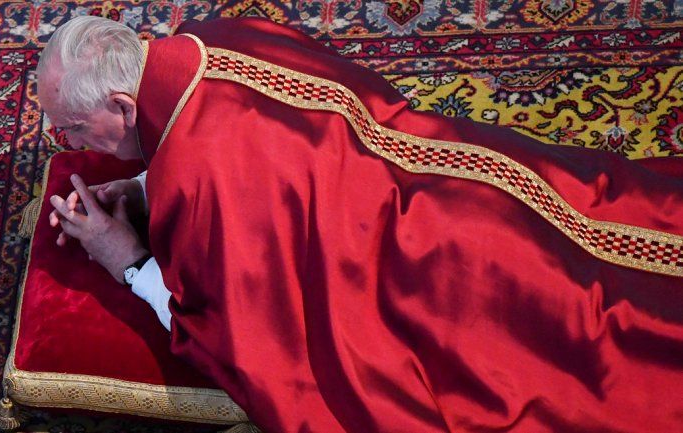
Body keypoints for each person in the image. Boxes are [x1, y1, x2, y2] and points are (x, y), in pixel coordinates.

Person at [36, 15, 683, 433]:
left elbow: (232, 338)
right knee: (595, 232)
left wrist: (126, 257)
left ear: (122, 105)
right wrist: (151, 179)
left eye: (68, 127)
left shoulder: (199, 182)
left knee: (599, 329)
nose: (61, 139)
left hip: (434, 270)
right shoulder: (224, 36)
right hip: (472, 176)